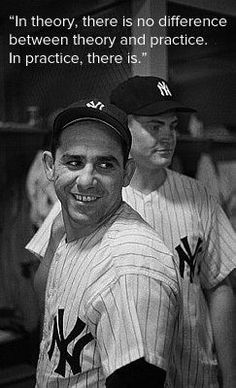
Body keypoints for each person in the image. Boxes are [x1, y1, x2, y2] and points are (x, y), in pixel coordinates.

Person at [27, 77, 236, 388]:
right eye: (155, 126)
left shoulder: (198, 195)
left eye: (172, 126)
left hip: (191, 370)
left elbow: (218, 283)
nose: (167, 136)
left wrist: (231, 377)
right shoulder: (83, 200)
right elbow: (52, 290)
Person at [27, 97, 180, 387]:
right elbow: (48, 300)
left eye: (105, 164)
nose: (86, 180)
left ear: (127, 173)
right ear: (50, 165)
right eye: (74, 162)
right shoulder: (66, 226)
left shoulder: (130, 268)